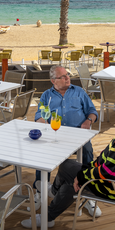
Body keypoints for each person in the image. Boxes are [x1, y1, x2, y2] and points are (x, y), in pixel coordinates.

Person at [21, 93, 115, 229]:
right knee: (69, 172)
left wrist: (82, 176)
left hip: (113, 187)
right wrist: (88, 169)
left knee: (69, 175)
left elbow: (109, 172)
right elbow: (110, 162)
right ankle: (50, 208)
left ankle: (49, 208)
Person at [35, 65, 100, 216]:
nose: (67, 78)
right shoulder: (46, 96)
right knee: (39, 153)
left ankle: (87, 193)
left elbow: (92, 111)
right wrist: (42, 122)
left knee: (88, 151)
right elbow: (39, 115)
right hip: (55, 134)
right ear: (53, 81)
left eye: (67, 75)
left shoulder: (79, 92)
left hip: (78, 135)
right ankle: (40, 190)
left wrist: (89, 121)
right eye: (63, 76)